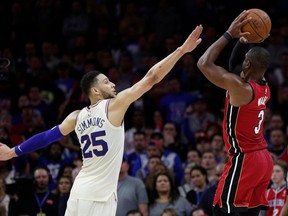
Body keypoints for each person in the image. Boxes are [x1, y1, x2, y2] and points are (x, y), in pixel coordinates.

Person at [0, 25, 203, 215]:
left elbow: (46, 137)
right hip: (101, 195)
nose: (113, 84)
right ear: (95, 90)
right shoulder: (113, 106)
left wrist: (12, 151)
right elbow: (151, 78)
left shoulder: (76, 116)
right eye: (107, 81)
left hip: (79, 190)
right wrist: (181, 51)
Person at [197, 10, 274, 216]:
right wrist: (243, 42)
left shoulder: (240, 87)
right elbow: (233, 65)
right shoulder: (263, 86)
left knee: (223, 209)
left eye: (246, 58)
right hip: (264, 160)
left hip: (245, 158)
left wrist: (229, 34)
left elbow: (203, 63)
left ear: (247, 64)